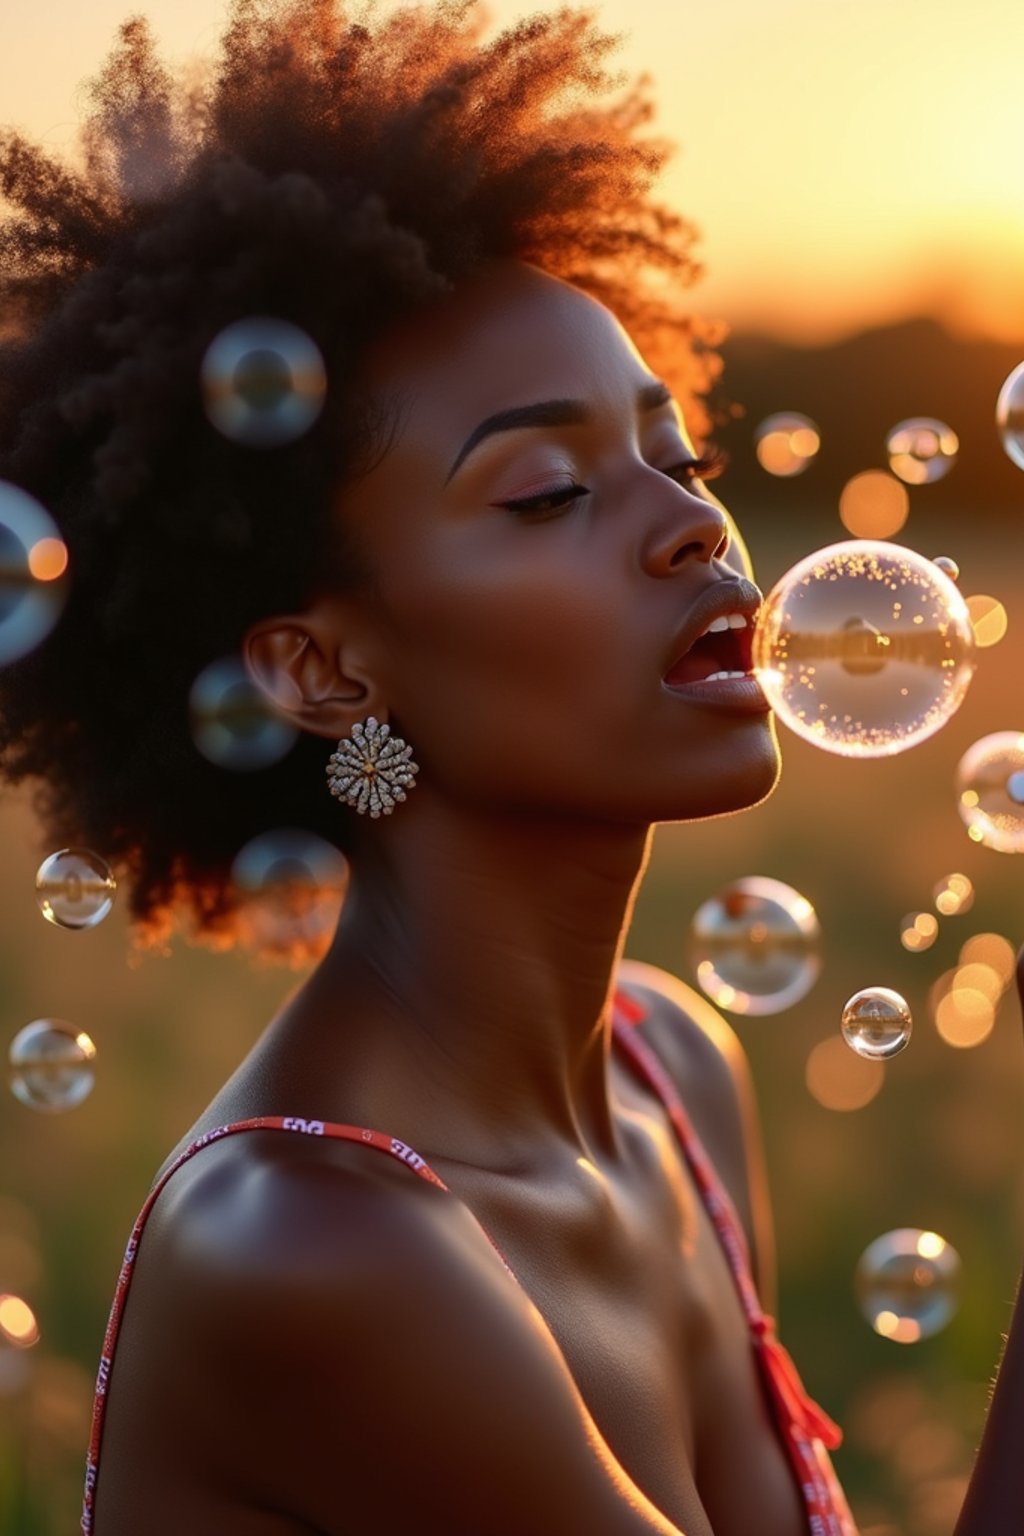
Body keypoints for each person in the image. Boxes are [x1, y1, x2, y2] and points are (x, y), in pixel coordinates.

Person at [1, 1, 1022, 1532]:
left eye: (675, 457)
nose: (695, 527)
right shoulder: (314, 1245)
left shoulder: (672, 1074)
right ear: (320, 667)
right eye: (548, 491)